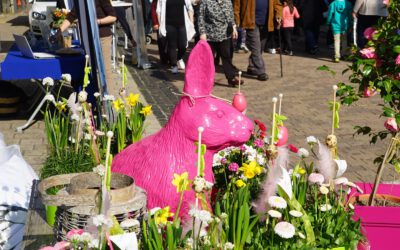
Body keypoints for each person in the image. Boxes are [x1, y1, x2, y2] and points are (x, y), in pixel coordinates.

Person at [53, 0, 117, 97]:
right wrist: (59, 31)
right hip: (88, 38)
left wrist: (96, 22)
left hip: (102, 37)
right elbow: (71, 16)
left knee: (105, 70)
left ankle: (111, 101)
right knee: (89, 69)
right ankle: (93, 98)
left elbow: (113, 17)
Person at [234, 0, 283, 81]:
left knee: (260, 48)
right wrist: (236, 18)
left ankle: (252, 67)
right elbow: (237, 4)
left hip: (266, 23)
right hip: (251, 22)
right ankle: (261, 71)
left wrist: (278, 15)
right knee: (256, 47)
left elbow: (277, 4)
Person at [199, 0, 242, 87]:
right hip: (210, 35)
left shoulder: (227, 1)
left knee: (226, 55)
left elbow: (230, 17)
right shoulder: (206, 2)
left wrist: (234, 28)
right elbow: (201, 18)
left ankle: (231, 78)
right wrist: (202, 33)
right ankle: (208, 79)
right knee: (209, 58)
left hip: (224, 34)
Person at [157, 0, 195, 74]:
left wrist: (192, 22)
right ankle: (174, 65)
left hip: (182, 24)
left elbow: (190, 8)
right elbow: (158, 10)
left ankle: (179, 58)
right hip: (169, 24)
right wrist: (160, 24)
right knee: (172, 45)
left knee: (183, 45)